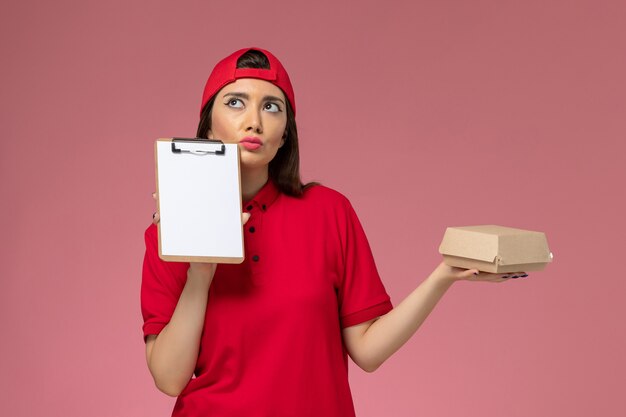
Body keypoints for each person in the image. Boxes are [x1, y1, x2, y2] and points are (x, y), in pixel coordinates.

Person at [141, 47, 526, 417]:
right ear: (208, 126)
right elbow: (170, 379)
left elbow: (368, 351)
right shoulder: (167, 234)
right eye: (236, 102)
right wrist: (201, 271)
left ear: (286, 133)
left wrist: (443, 276)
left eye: (271, 107)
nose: (254, 121)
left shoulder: (329, 212)